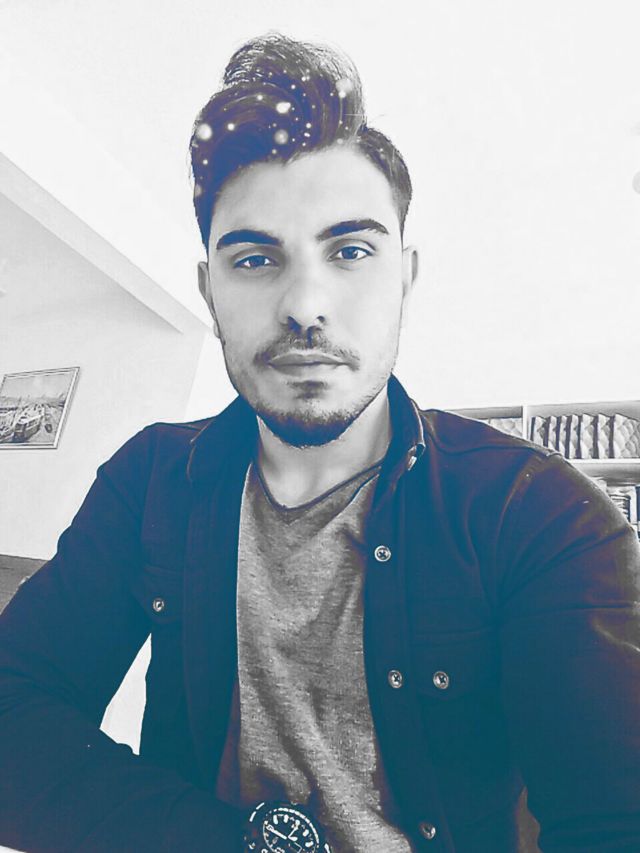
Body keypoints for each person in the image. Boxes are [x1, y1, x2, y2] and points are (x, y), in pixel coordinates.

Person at [1, 32, 640, 853]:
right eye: (254, 258)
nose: (305, 303)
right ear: (208, 291)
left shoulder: (543, 514)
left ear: (404, 276)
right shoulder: (150, 480)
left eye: (350, 251)